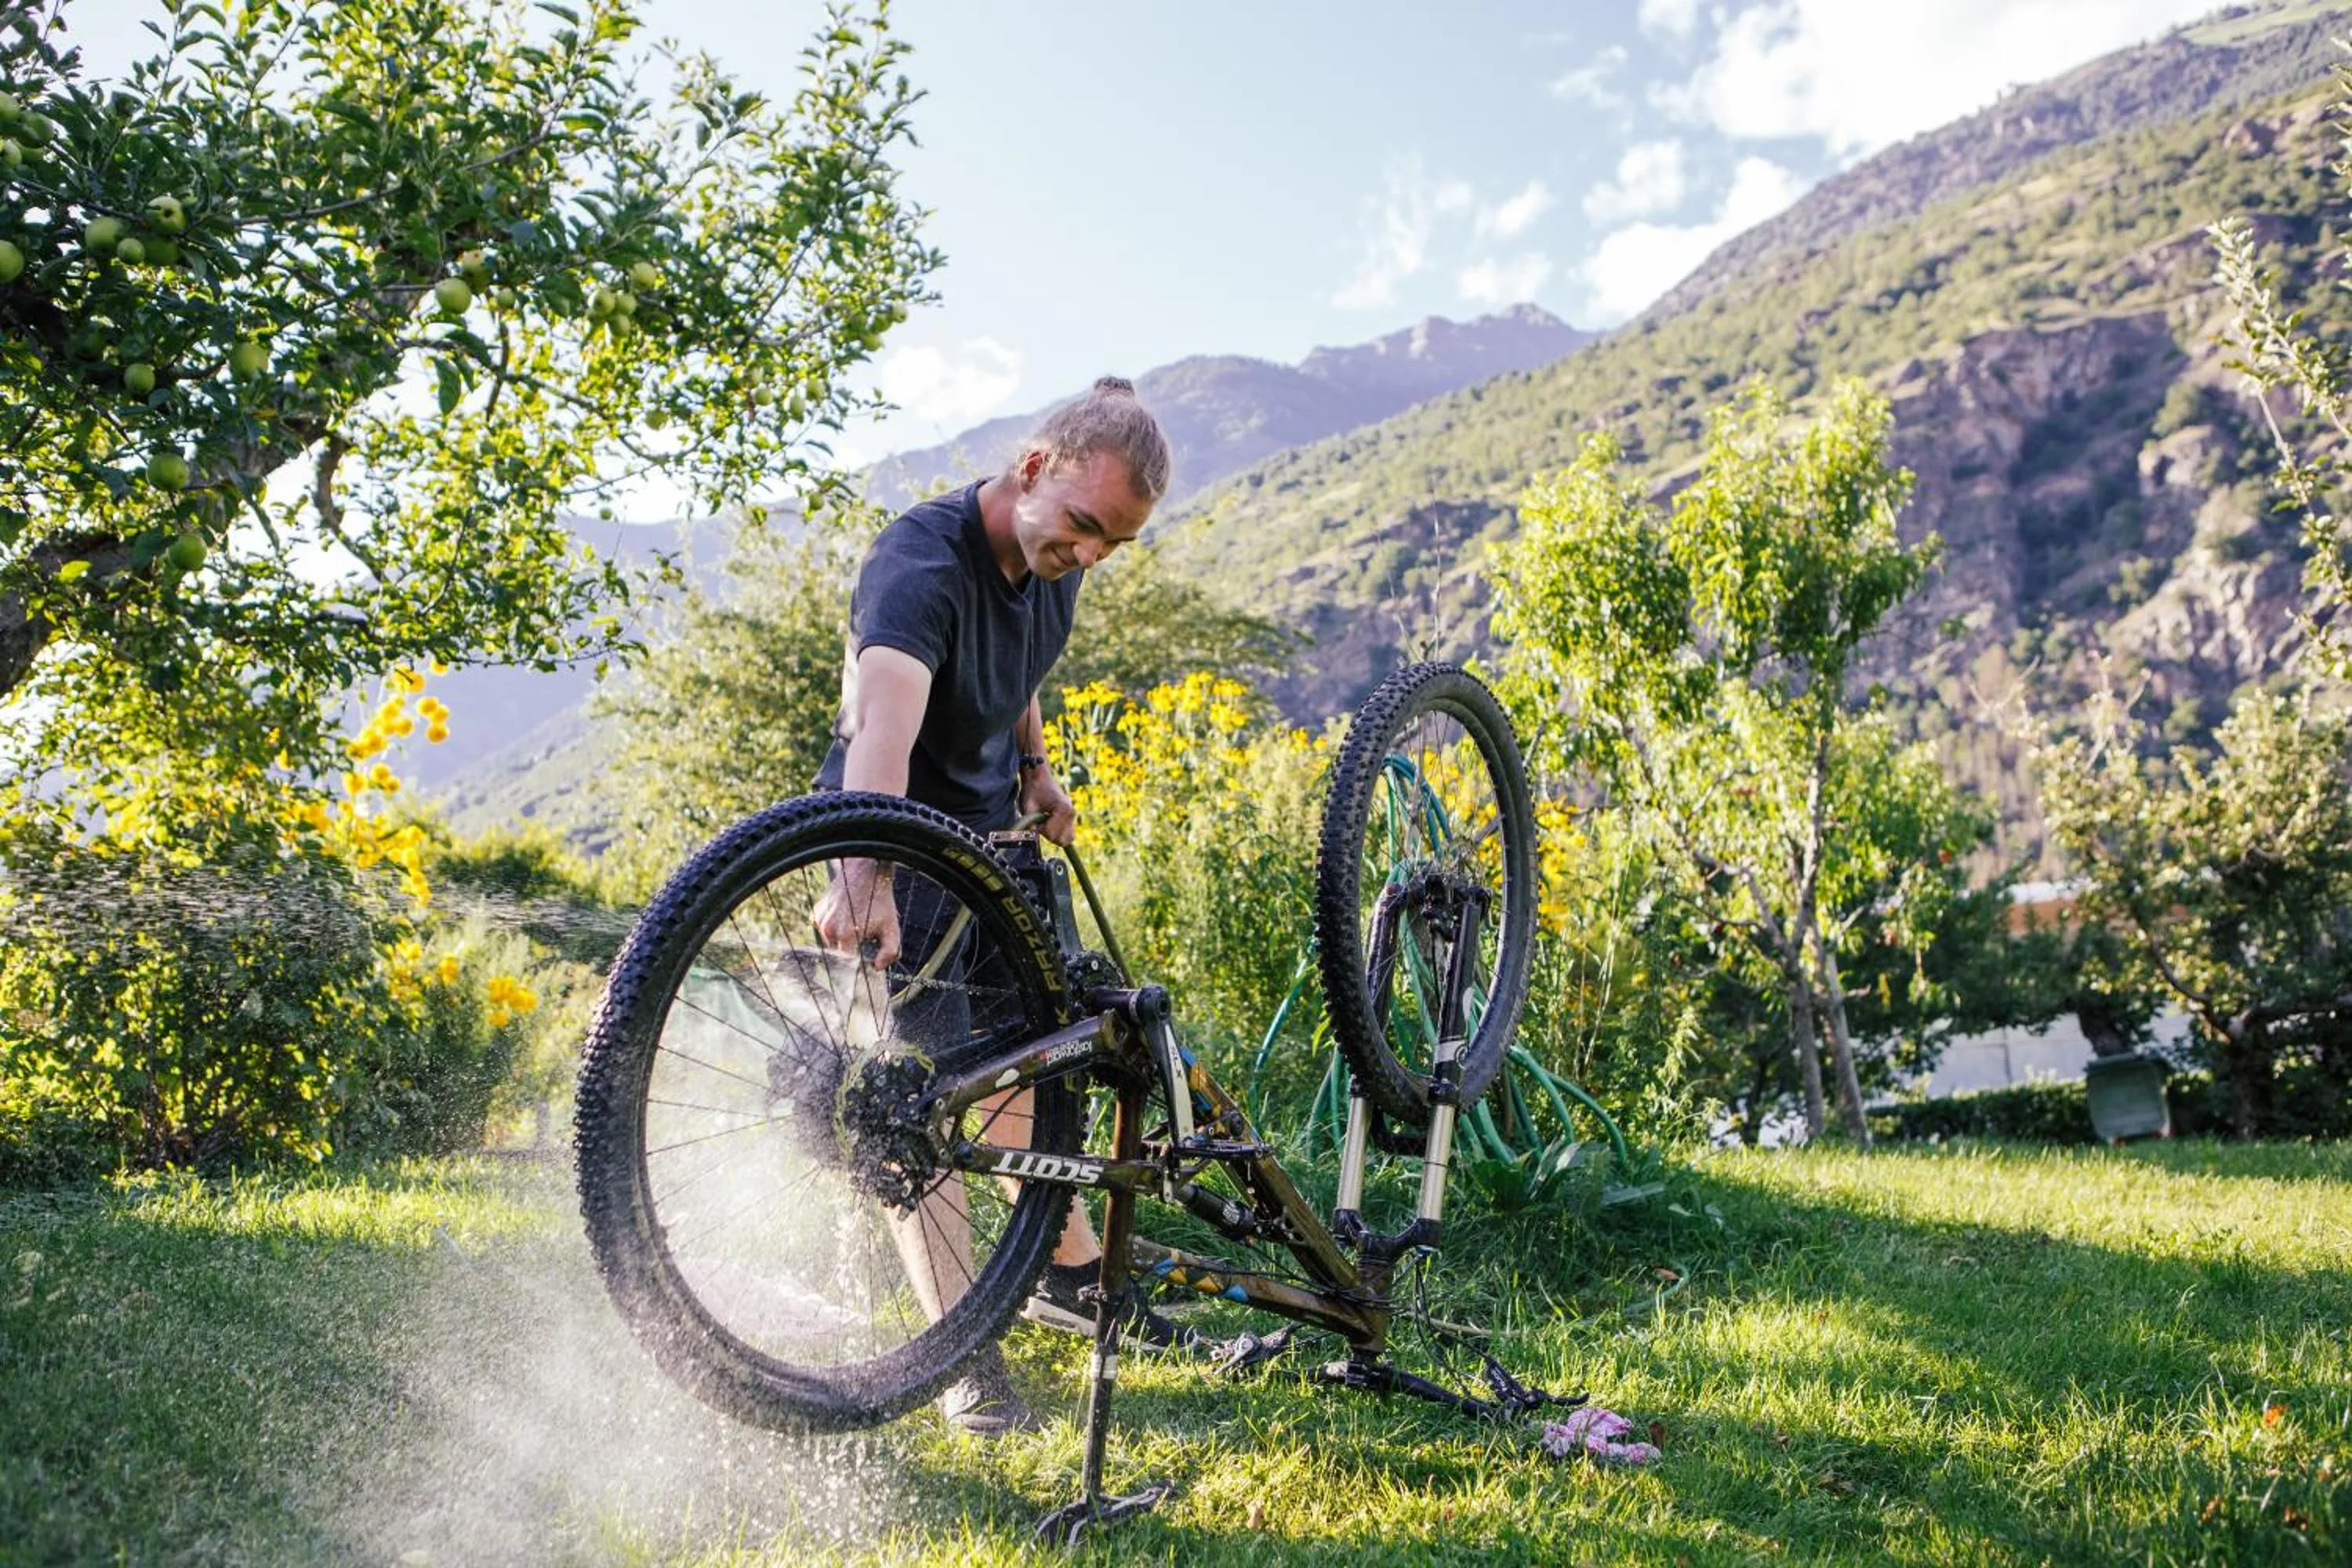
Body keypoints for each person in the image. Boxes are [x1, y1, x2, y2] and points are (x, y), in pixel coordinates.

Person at [810, 376, 1185, 1436]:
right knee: (916, 1107)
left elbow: (1022, 661)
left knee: (1039, 1060)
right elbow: (880, 727)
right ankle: (956, 1360)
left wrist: (1036, 766)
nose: (1091, 556)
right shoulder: (917, 565)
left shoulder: (1050, 551)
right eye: (1083, 527)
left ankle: (1064, 1275)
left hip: (996, 839)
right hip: (897, 841)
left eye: (1112, 542)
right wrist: (861, 876)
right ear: (1032, 467)